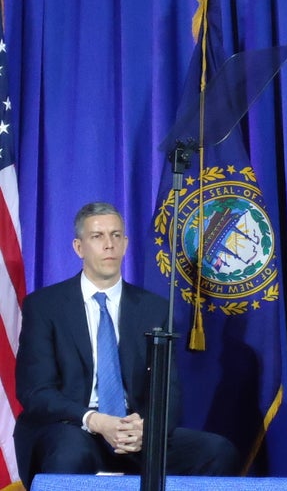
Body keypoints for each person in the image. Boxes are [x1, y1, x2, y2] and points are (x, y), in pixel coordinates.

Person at [14, 202, 240, 488]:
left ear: (125, 244)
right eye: (97, 237)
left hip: (134, 432)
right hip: (72, 426)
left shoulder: (153, 309)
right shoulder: (45, 306)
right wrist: (95, 420)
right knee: (69, 452)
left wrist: (146, 427)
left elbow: (168, 390)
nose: (109, 245)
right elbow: (35, 391)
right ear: (79, 247)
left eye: (116, 235)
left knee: (217, 451)